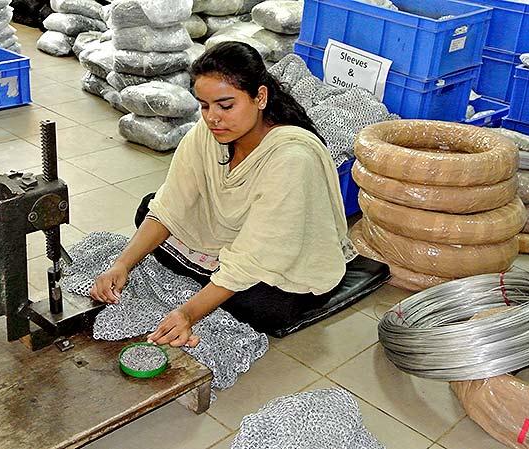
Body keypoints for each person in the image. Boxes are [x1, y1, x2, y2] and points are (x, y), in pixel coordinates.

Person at [90, 41, 352, 348]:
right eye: (204, 105)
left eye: (226, 106)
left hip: (282, 255)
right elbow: (170, 204)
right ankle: (217, 277)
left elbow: (258, 254)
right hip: (230, 239)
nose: (213, 117)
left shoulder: (292, 157)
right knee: (147, 208)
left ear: (260, 97)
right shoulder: (208, 132)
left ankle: (215, 278)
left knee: (264, 305)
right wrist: (122, 264)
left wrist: (188, 314)